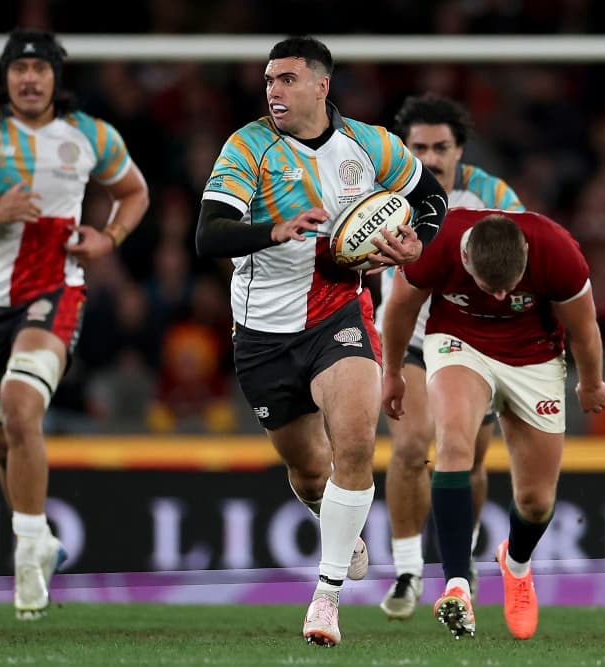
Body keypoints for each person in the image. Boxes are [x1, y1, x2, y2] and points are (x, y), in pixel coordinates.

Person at [195, 36, 448, 647]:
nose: (273, 91)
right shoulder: (248, 146)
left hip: (340, 315)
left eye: (285, 79)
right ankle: (333, 517)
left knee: (356, 443)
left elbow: (430, 196)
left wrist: (420, 239)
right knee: (310, 471)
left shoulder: (372, 145)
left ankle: (326, 597)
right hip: (262, 331)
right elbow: (208, 235)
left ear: (320, 85)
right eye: (268, 81)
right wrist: (270, 228)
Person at [0, 28, 150, 619]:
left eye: (40, 69)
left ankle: (25, 558)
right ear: (6, 76)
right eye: (20, 68)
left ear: (55, 78)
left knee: (21, 407)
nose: (30, 78)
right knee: (2, 439)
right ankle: (38, 538)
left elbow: (135, 191)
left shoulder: (89, 134)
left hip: (56, 289)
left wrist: (109, 236)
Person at [381, 210, 605, 640]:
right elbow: (398, 309)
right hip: (460, 343)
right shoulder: (437, 243)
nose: (504, 296)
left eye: (512, 285)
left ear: (525, 254)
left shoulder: (556, 249)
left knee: (536, 502)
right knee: (454, 444)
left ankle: (517, 565)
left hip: (536, 356)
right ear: (466, 259)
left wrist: (591, 382)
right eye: (493, 289)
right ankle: (456, 586)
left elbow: (584, 328)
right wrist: (392, 373)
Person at [375, 93, 524, 620]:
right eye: (420, 147)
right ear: (405, 149)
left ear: (460, 149)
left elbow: (518, 262)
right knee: (414, 443)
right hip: (410, 335)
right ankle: (408, 571)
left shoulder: (491, 195)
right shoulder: (386, 190)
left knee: (470, 458)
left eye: (441, 147)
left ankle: (464, 557)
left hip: (473, 340)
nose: (432, 158)